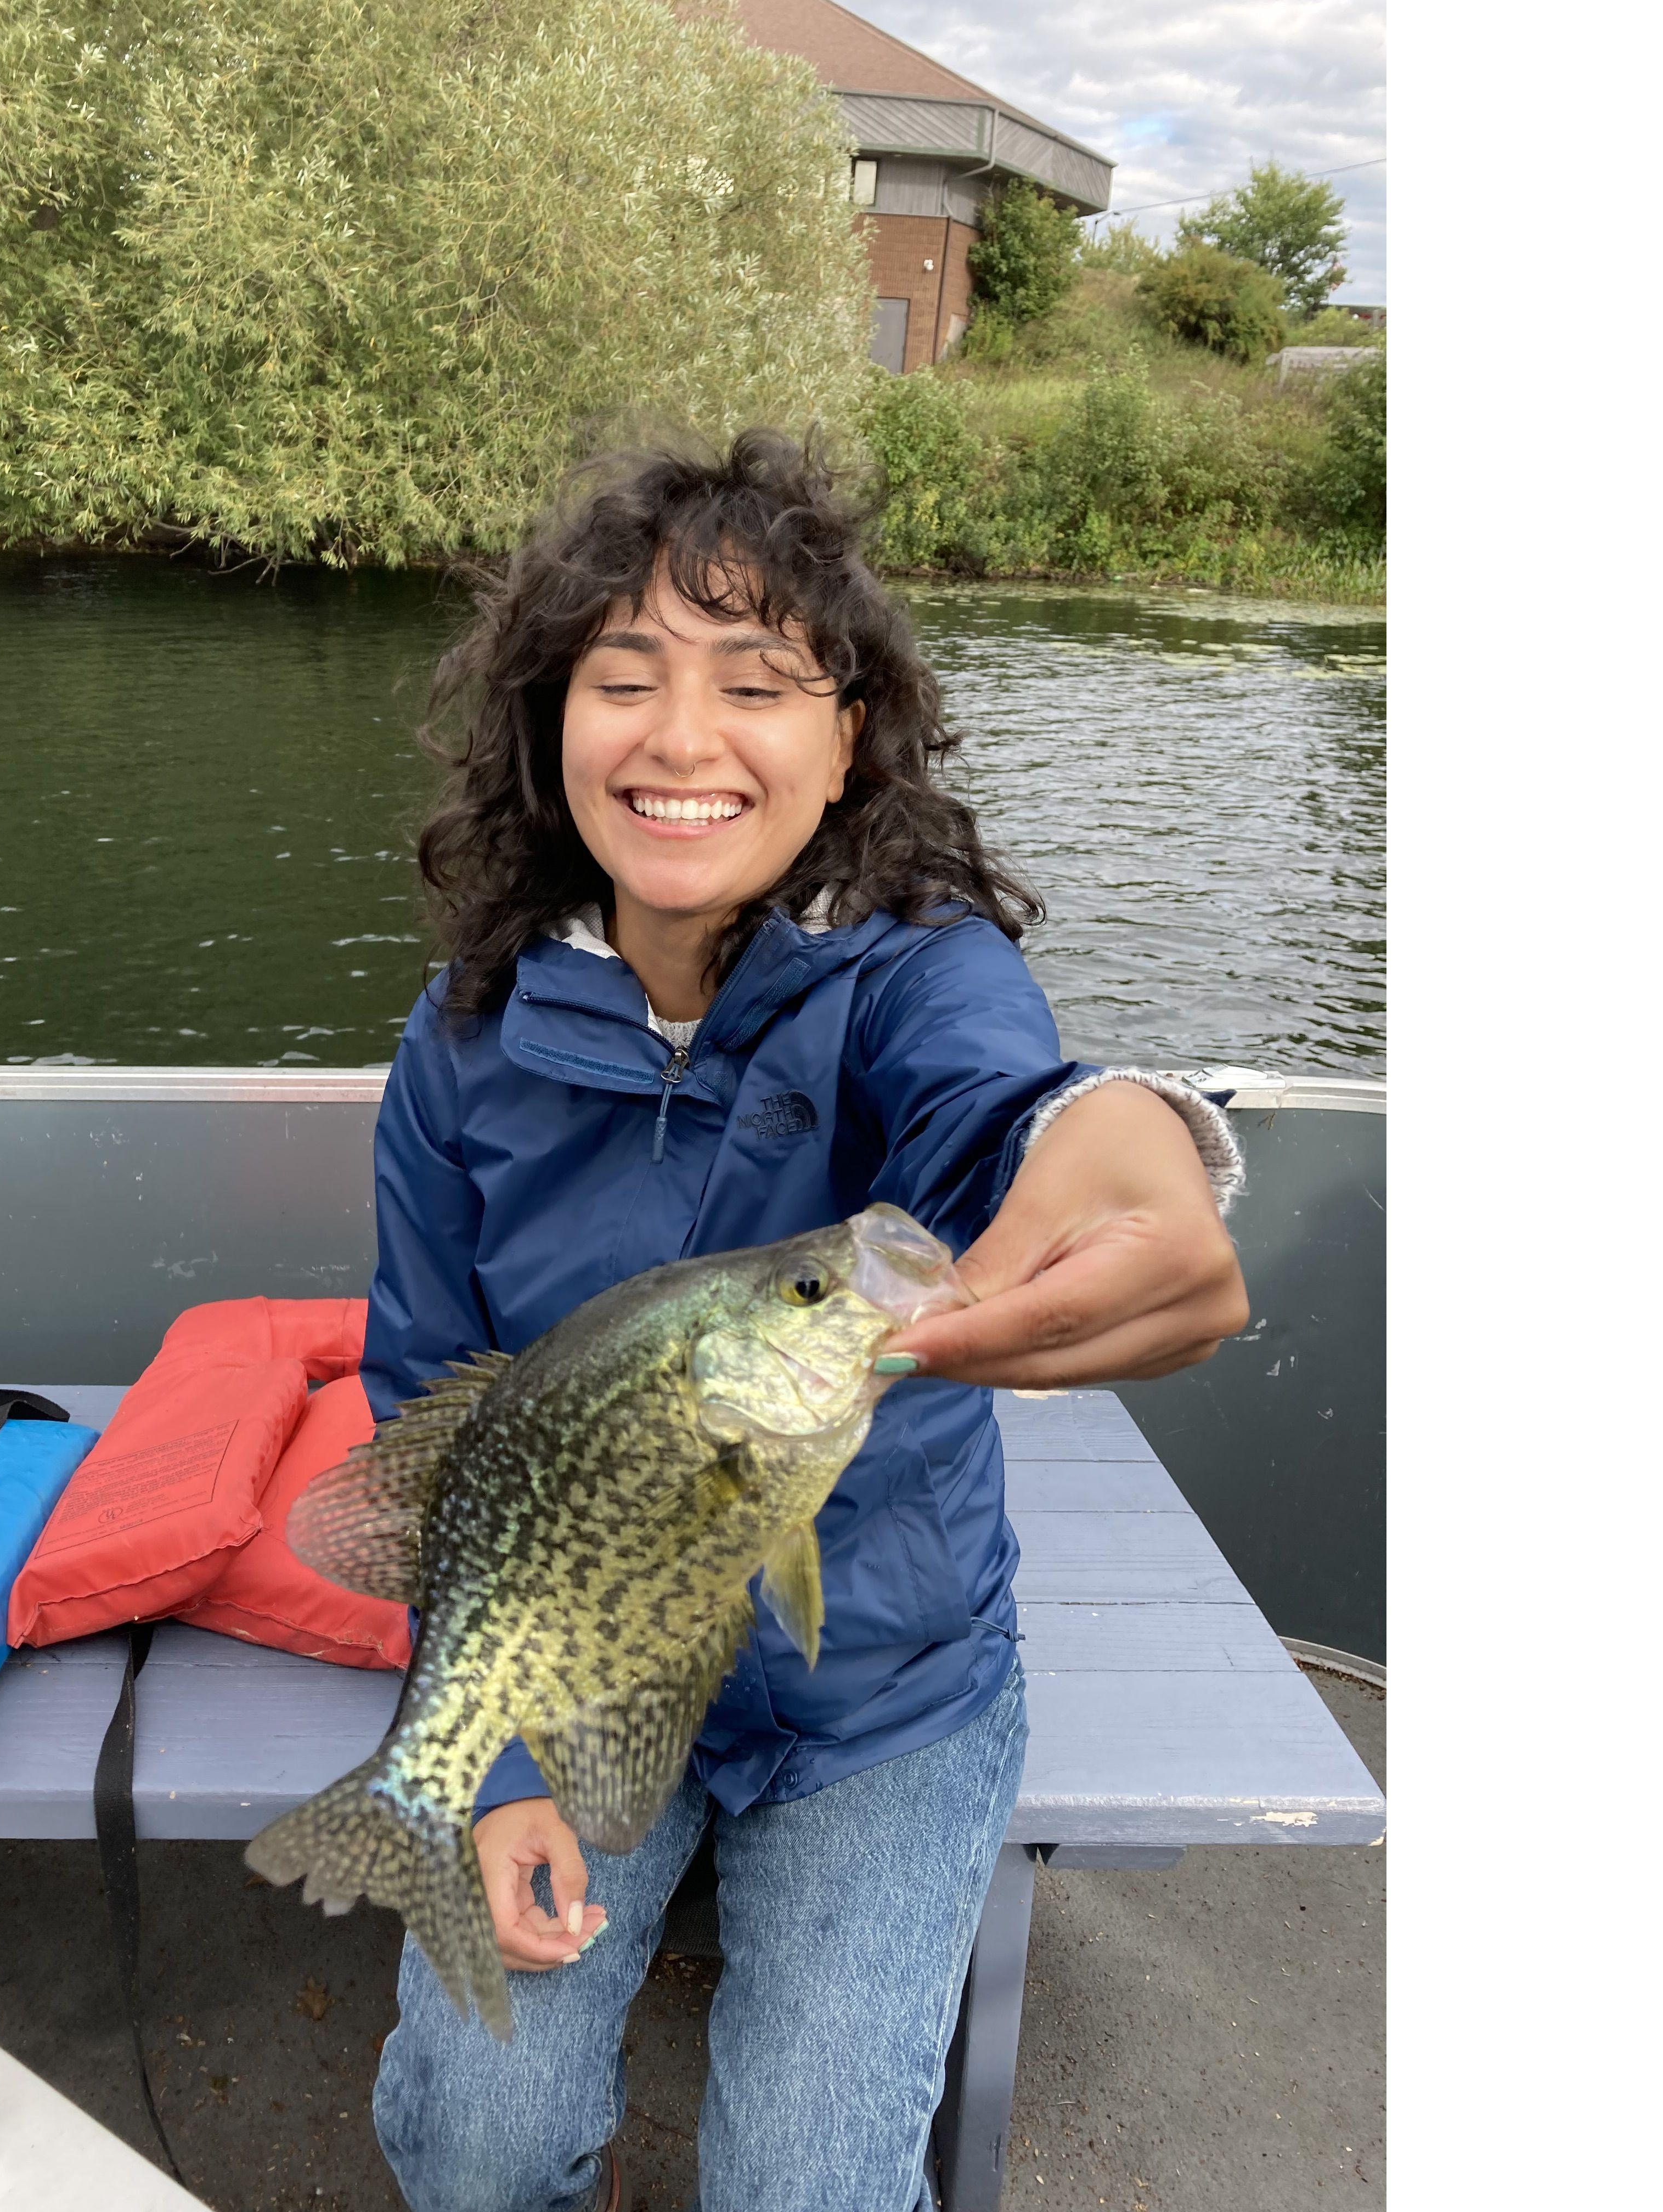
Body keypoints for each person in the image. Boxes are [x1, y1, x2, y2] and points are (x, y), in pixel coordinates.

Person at [360, 432, 1248, 2212]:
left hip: (881, 1700)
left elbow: (1013, 1109)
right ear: (551, 726)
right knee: (475, 2140)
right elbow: (431, 1409)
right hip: (589, 1676)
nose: (683, 738)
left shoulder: (922, 971)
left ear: (847, 741)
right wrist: (495, 1767)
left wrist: (1133, 1146)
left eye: (757, 684)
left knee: (809, 2188)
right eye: (625, 678)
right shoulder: (462, 1043)